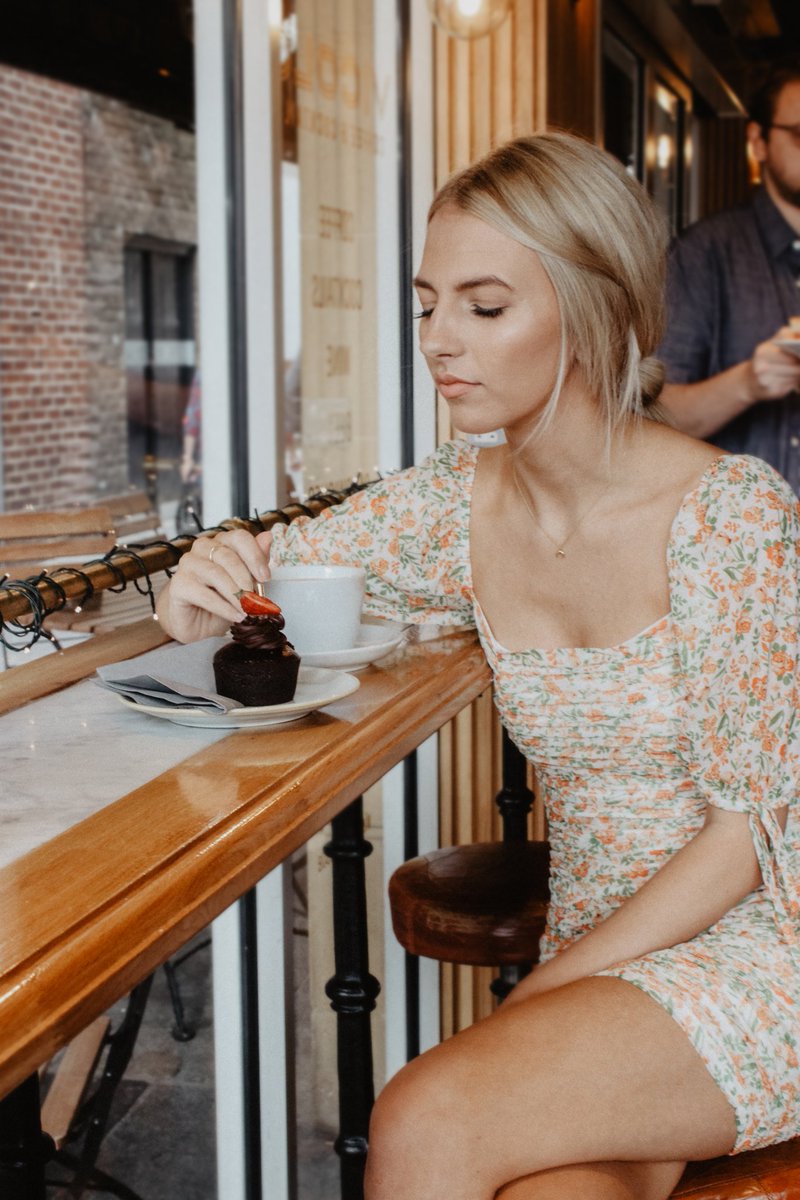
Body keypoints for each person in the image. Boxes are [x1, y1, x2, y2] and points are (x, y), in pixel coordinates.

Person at [156, 133, 800, 1200]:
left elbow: (746, 838)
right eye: (427, 304)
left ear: (591, 310)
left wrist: (540, 996)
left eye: (483, 307)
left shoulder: (732, 519)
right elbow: (270, 577)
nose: (439, 339)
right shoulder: (450, 507)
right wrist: (198, 588)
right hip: (604, 943)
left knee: (422, 1114)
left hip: (762, 943)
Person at [658, 58, 800, 492]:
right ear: (757, 141)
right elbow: (652, 417)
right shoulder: (702, 253)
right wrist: (749, 383)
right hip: (742, 546)